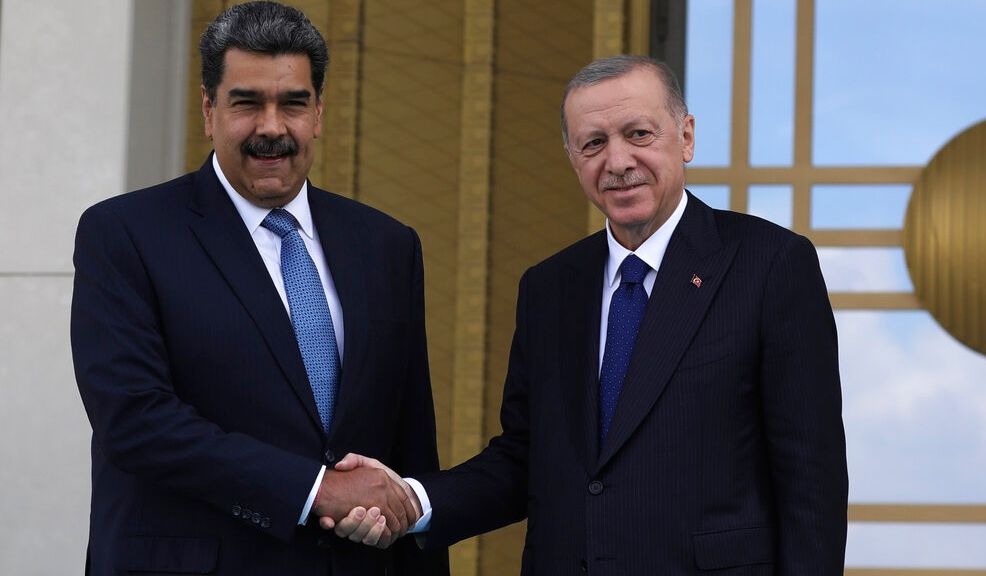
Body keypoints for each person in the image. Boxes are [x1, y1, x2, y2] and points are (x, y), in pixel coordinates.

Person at [334, 55, 848, 573]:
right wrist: (412, 502)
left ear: (686, 137)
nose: (617, 161)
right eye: (594, 143)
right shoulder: (549, 287)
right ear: (572, 157)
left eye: (639, 134)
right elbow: (524, 458)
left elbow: (811, 477)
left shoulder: (771, 264)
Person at [70, 2, 448, 574]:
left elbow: (411, 442)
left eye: (293, 103)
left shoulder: (387, 246)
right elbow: (135, 420)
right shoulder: (125, 233)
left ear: (318, 112)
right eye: (247, 103)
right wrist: (314, 489)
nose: (272, 128)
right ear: (209, 110)